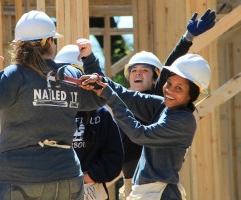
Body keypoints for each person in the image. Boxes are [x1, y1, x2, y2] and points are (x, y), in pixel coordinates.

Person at [75, 8, 216, 199]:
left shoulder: (182, 121)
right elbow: (125, 94)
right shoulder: (162, 105)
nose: (170, 90)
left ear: (193, 95)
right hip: (142, 190)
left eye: (179, 89)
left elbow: (139, 134)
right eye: (169, 84)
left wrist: (108, 94)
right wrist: (92, 66)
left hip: (157, 193)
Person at [0, 10, 107, 200]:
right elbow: (100, 96)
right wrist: (90, 60)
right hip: (66, 177)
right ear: (50, 41)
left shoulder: (15, 75)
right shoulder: (69, 76)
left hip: (18, 179)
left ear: (18, 46)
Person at [55, 44, 124, 200]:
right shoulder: (51, 111)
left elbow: (114, 159)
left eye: (72, 77)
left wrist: (88, 177)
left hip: (91, 190)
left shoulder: (102, 115)